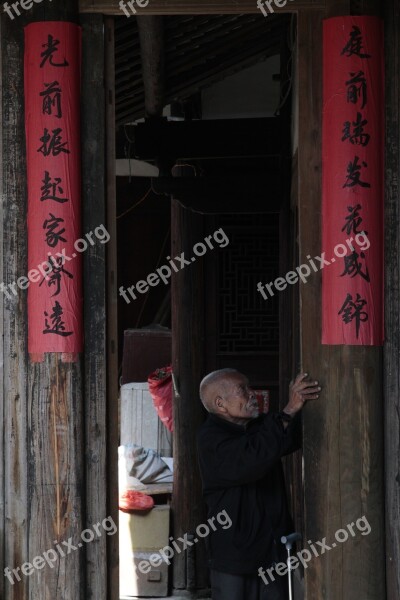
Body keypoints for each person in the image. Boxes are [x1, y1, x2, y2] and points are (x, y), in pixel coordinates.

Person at [197, 369, 321, 600]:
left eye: (249, 386)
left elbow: (287, 436)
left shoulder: (257, 427)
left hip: (273, 548)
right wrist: (289, 410)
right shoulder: (210, 438)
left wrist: (309, 403)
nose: (252, 394)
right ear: (220, 403)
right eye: (242, 389)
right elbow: (253, 460)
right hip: (235, 554)